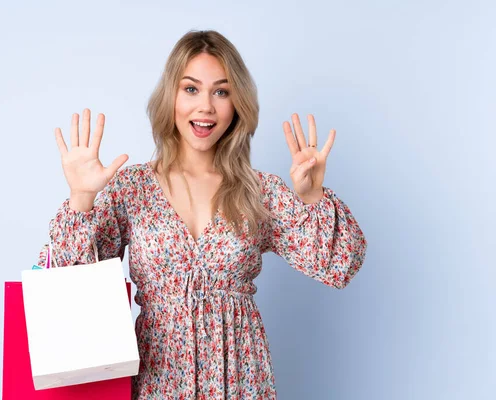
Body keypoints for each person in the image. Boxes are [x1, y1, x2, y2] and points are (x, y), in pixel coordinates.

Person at [37, 30, 367, 400]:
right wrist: (82, 197)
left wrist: (312, 197)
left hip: (241, 378)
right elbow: (65, 292)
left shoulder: (258, 190)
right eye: (191, 89)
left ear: (237, 103)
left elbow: (339, 265)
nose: (206, 106)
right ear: (171, 97)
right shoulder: (132, 188)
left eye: (221, 91)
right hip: (157, 379)